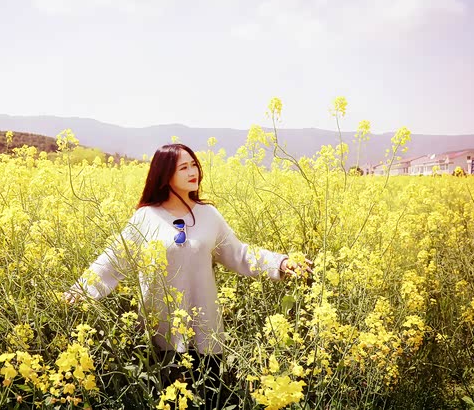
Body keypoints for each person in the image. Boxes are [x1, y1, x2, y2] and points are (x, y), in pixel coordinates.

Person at [65, 143, 313, 408]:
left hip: (205, 330)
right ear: (165, 174)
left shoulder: (208, 215)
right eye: (183, 167)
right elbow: (114, 258)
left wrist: (281, 262)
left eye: (194, 164)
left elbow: (239, 254)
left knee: (207, 399)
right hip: (160, 332)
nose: (193, 172)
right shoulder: (146, 217)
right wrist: (81, 290)